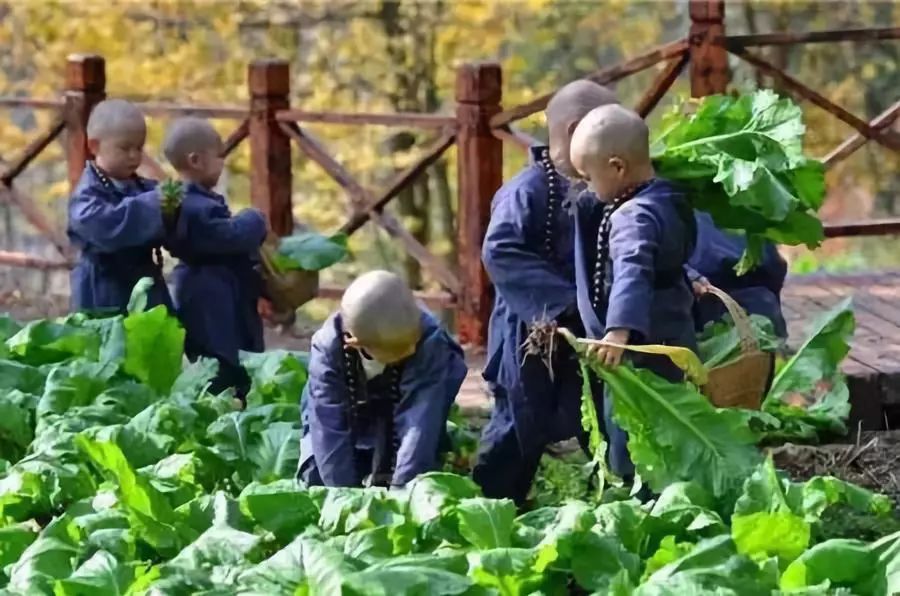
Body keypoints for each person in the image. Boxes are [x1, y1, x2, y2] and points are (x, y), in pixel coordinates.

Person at [475, 80, 619, 505]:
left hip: (578, 335)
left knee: (586, 415)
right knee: (518, 425)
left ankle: (600, 502)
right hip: (526, 335)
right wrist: (567, 304)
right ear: (575, 131)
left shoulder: (595, 185)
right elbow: (500, 251)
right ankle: (491, 506)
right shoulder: (526, 191)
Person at [570, 104, 697, 481]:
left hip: (642, 342)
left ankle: (633, 490)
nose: (587, 187)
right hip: (675, 324)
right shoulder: (670, 197)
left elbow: (633, 269)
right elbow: (668, 255)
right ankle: (674, 483)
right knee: (671, 412)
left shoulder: (632, 216)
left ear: (617, 167)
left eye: (588, 177)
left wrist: (619, 331)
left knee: (630, 416)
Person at [298, 270, 466, 489]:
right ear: (355, 343)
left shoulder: (430, 340)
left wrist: (402, 493)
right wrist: (344, 498)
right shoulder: (328, 348)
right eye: (401, 349)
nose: (412, 349)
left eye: (413, 342)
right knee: (318, 475)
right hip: (352, 405)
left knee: (417, 477)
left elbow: (420, 423)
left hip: (408, 399)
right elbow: (328, 427)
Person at [162, 117, 267, 403]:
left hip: (216, 290)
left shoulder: (194, 202)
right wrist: (254, 218)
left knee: (229, 357)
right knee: (221, 364)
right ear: (196, 160)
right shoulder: (194, 208)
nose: (223, 163)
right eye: (219, 156)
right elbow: (232, 236)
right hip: (210, 296)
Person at [67, 99, 171, 312]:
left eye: (139, 148)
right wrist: (153, 205)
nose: (134, 156)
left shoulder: (144, 188)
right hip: (102, 290)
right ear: (94, 146)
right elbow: (106, 228)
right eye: (125, 148)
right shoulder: (86, 195)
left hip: (146, 283)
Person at [687, 211, 788, 339]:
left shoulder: (678, 208)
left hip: (709, 310)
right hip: (761, 313)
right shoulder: (746, 207)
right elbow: (776, 266)